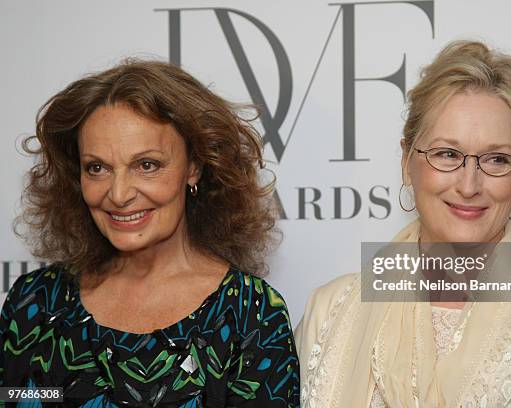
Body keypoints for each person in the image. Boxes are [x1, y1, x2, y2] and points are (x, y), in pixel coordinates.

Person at [295, 41, 511, 407]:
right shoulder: (328, 313)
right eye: (448, 154)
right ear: (407, 163)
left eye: (497, 159)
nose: (469, 184)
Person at [0, 60, 300, 407]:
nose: (119, 194)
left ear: (194, 167)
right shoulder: (36, 304)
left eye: (146, 165)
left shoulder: (252, 315)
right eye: (97, 168)